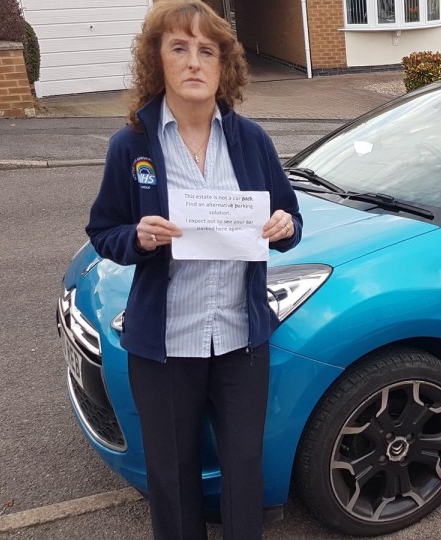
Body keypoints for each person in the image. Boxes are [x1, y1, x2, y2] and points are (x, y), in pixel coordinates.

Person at [85, 1, 301, 538]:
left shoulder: (252, 140)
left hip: (239, 341)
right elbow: (103, 230)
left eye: (207, 51)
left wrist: (282, 226)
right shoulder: (131, 145)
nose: (194, 62)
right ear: (156, 61)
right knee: (172, 473)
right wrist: (135, 237)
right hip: (164, 345)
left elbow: (290, 215)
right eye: (179, 48)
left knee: (244, 468)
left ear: (224, 65)